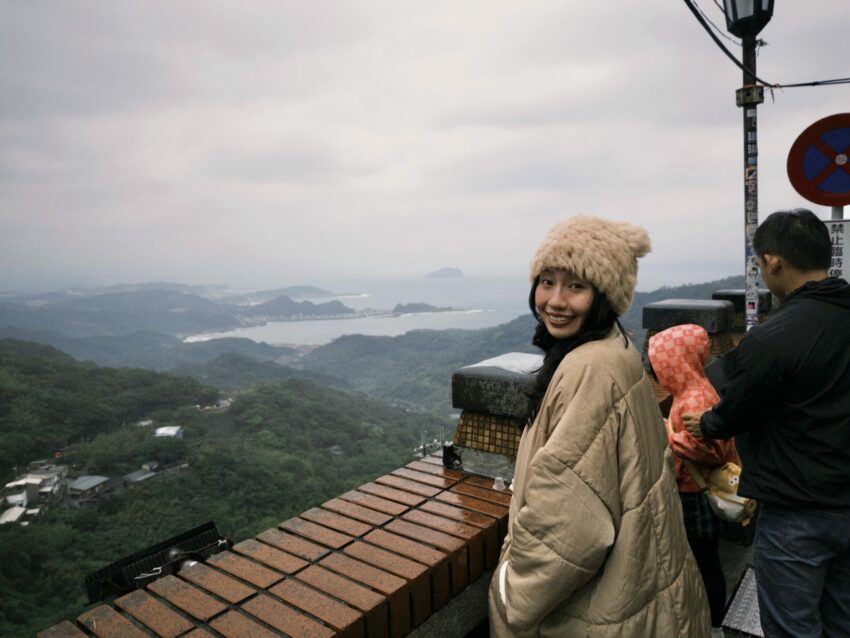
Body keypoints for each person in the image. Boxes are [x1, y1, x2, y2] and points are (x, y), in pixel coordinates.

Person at [489, 215, 710, 637]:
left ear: (605, 295)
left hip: (600, 610)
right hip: (641, 588)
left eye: (576, 286)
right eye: (547, 281)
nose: (555, 300)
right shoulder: (616, 346)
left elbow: (571, 526)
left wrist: (508, 593)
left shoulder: (587, 369)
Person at [684, 209, 850, 638]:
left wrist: (706, 423)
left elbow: (737, 409)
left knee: (792, 629)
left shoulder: (774, 337)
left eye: (759, 263)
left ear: (774, 261)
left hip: (798, 509)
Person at [648, 324, 739, 636]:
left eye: (660, 364)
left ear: (675, 363)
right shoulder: (694, 389)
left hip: (695, 492)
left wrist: (667, 436)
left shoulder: (694, 398)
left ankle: (713, 625)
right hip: (694, 488)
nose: (657, 372)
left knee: (704, 562)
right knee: (702, 559)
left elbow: (709, 449)